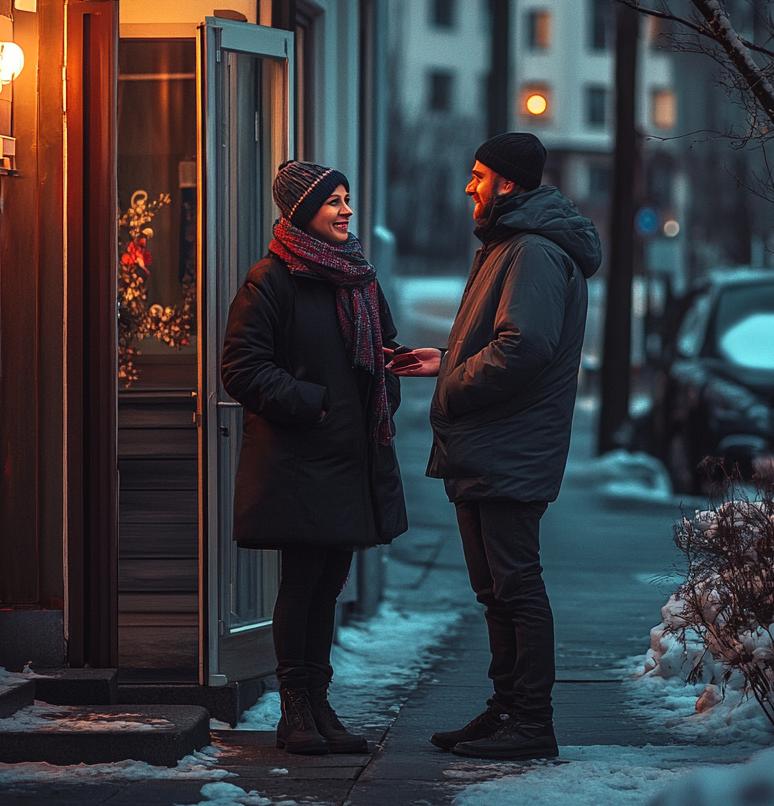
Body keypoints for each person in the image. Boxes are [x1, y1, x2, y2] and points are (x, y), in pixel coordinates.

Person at [390, 132, 602, 760]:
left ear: (507, 183)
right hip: (495, 444)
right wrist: (448, 358)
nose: (468, 186)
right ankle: (507, 709)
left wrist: (453, 385)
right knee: (496, 590)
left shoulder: (532, 250)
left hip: (510, 446)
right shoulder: (514, 244)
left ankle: (530, 722)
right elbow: (510, 339)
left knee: (515, 586)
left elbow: (524, 347)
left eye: (478, 174)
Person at [221, 160, 408, 756]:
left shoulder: (359, 279)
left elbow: (383, 354)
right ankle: (294, 709)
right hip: (300, 458)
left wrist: (389, 383)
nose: (346, 210)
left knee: (329, 583)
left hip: (350, 458)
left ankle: (320, 704)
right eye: (333, 201)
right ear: (302, 212)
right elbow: (243, 369)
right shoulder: (270, 280)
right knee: (303, 582)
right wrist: (315, 405)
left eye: (347, 198)